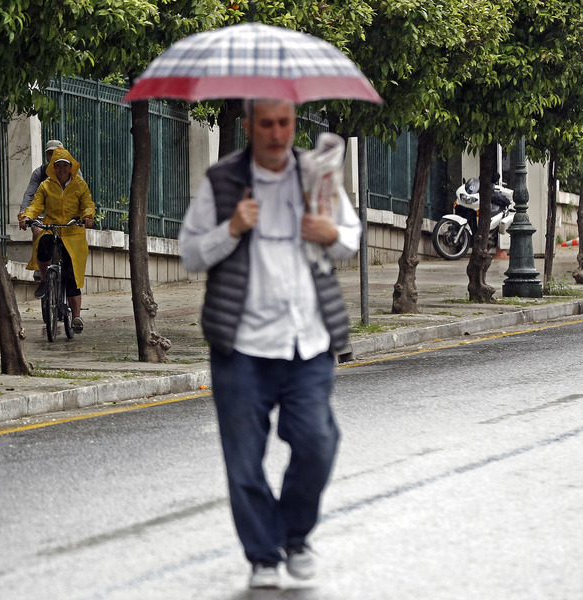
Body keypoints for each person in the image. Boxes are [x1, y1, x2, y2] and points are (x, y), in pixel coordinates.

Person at [179, 98, 361, 590]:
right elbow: (190, 252)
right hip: (241, 347)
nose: (277, 133)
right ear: (248, 127)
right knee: (243, 460)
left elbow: (350, 236)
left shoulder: (316, 174)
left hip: (309, 342)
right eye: (266, 124)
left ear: (293, 124)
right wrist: (232, 228)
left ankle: (295, 535)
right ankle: (263, 554)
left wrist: (331, 234)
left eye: (284, 123)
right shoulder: (222, 181)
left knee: (319, 441)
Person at [19, 147, 95, 333]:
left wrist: (87, 216)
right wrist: (26, 216)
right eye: (58, 165)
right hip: (51, 227)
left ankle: (76, 316)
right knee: (42, 246)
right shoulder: (45, 185)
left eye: (65, 166)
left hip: (73, 232)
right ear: (53, 167)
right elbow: (36, 204)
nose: (61, 169)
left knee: (71, 274)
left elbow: (87, 203)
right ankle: (46, 279)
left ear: (71, 167)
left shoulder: (80, 185)